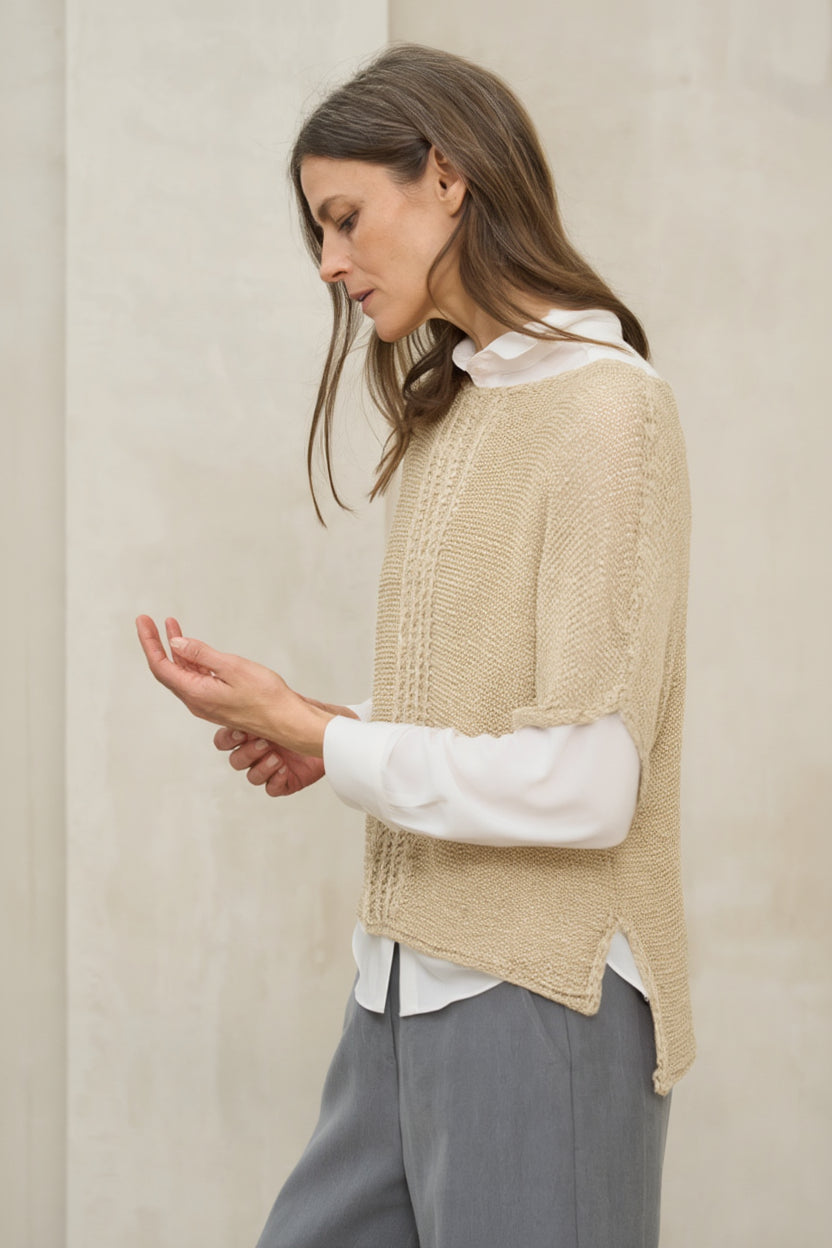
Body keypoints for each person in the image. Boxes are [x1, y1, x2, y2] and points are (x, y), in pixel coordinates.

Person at [137, 42, 694, 1248]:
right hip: (397, 991)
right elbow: (486, 722)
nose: (328, 263)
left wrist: (322, 733)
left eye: (343, 219)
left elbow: (588, 787)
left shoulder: (606, 411)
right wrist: (325, 735)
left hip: (540, 1000)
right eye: (316, 233)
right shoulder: (458, 410)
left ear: (446, 175)